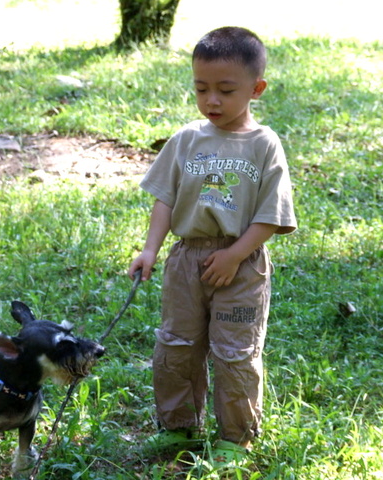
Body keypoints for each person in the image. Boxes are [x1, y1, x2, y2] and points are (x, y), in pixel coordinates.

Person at [128, 26, 297, 469]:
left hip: (241, 264)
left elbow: (271, 215)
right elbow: (165, 198)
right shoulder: (187, 139)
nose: (212, 101)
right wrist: (150, 249)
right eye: (201, 89)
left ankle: (235, 437)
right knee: (177, 344)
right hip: (187, 259)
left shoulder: (264, 144)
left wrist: (236, 254)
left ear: (256, 89)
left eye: (226, 90)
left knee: (234, 352)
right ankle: (179, 426)